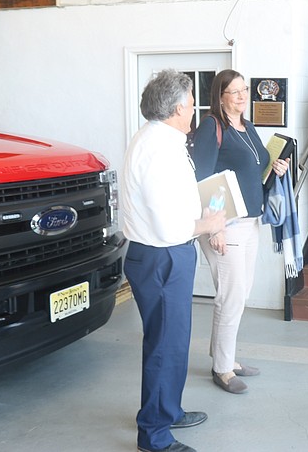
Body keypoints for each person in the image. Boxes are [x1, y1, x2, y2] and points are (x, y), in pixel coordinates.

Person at [121, 69, 226, 452]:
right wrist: (209, 222)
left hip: (159, 256)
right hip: (162, 255)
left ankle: (167, 409)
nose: (193, 109)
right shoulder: (159, 148)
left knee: (172, 341)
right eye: (190, 102)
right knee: (166, 345)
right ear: (179, 107)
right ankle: (154, 436)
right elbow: (169, 226)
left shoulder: (159, 138)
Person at [192, 69, 290, 395]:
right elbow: (203, 178)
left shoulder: (246, 127)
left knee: (240, 293)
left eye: (244, 90)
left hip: (251, 221)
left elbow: (254, 170)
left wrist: (274, 167)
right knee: (230, 297)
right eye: (233, 92)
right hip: (226, 224)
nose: (241, 96)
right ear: (219, 96)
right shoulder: (212, 127)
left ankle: (227, 357)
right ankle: (222, 368)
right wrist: (213, 227)